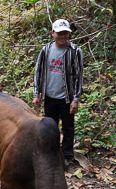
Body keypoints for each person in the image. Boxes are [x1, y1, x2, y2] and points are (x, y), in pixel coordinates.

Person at [33, 19, 84, 168]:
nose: (63, 36)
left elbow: (78, 76)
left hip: (67, 97)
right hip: (50, 96)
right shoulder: (46, 50)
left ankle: (67, 156)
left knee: (68, 128)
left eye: (66, 33)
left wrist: (76, 99)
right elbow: (39, 71)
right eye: (60, 33)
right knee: (50, 127)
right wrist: (37, 94)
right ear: (53, 34)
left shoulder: (75, 51)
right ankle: (51, 155)